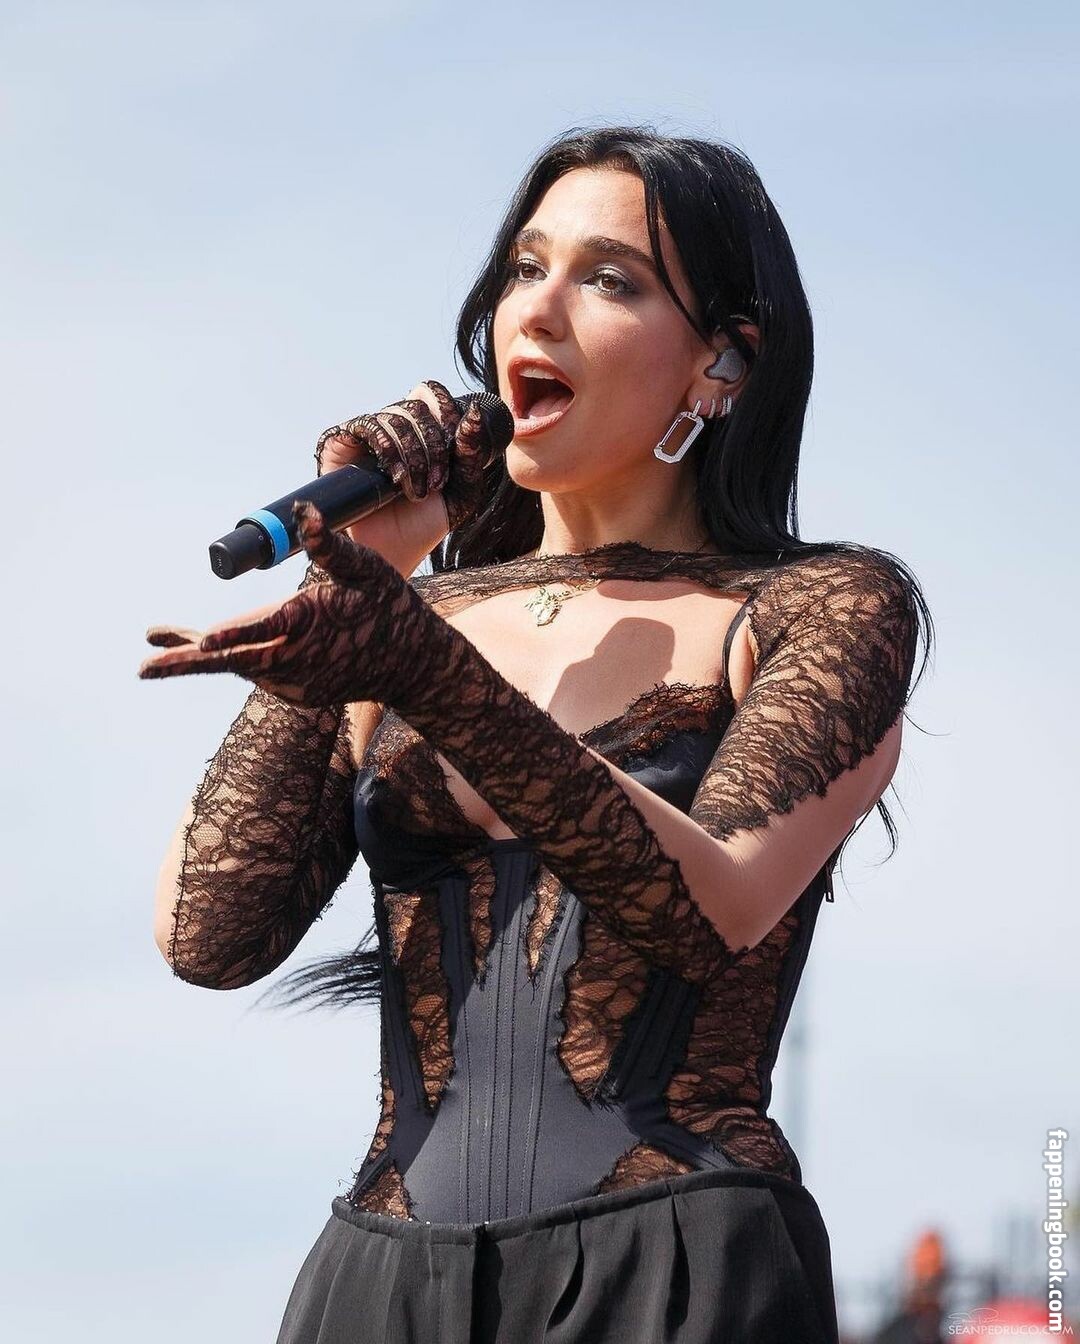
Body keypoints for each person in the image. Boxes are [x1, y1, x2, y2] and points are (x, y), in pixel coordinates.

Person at [139, 125, 933, 1343]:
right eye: (524, 268)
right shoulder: (415, 617)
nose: (538, 310)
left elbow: (712, 906)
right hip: (381, 1286)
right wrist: (371, 575)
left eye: (609, 279)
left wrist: (426, 671)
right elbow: (211, 935)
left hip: (672, 1268)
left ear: (724, 362)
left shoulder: (820, 606)